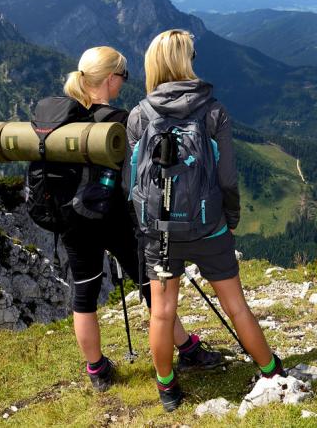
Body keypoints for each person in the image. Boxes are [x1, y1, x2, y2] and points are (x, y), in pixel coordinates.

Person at [126, 29, 286, 412]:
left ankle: (167, 387)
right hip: (209, 226)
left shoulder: (138, 116)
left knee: (163, 312)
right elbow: (227, 177)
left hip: (160, 233)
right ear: (186, 61)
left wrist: (146, 226)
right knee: (236, 305)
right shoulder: (213, 111)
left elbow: (131, 181)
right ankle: (269, 368)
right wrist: (229, 217)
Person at [60, 46, 222, 392]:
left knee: (84, 295)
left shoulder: (64, 123)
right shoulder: (119, 121)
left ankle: (96, 370)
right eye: (123, 76)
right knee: (152, 289)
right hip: (117, 219)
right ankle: (186, 349)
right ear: (110, 79)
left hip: (74, 220)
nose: (123, 83)